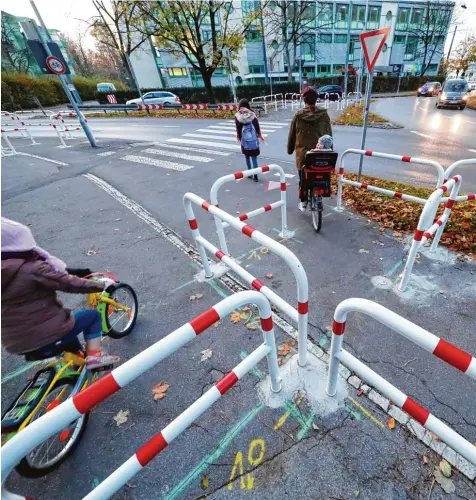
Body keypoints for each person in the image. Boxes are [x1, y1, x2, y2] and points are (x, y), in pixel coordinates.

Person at [1, 217, 120, 369]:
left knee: (69, 329)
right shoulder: (32, 268)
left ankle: (76, 364)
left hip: (15, 343)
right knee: (92, 317)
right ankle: (95, 359)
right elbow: (69, 283)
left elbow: (55, 274)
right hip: (44, 336)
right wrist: (101, 285)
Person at [287, 86, 333, 211]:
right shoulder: (323, 114)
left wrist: (290, 149)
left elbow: (292, 134)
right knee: (321, 174)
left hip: (304, 155)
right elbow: (329, 134)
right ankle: (320, 197)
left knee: (303, 178)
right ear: (316, 99)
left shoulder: (298, 115)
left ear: (305, 100)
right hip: (321, 153)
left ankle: (303, 201)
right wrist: (330, 149)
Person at [235, 98, 265, 182]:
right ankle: (255, 175)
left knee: (247, 157)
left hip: (245, 141)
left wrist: (239, 138)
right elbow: (257, 126)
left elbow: (238, 129)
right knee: (254, 158)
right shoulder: (252, 114)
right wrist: (259, 135)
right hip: (253, 141)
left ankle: (249, 174)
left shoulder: (238, 115)